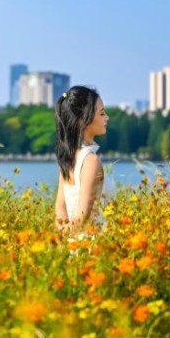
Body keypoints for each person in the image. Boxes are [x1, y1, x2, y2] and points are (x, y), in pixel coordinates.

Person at [54, 86, 109, 235]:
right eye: (102, 113)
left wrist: (63, 237)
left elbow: (60, 209)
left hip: (75, 245)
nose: (107, 118)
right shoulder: (90, 161)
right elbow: (82, 218)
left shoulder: (68, 158)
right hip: (94, 248)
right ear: (83, 120)